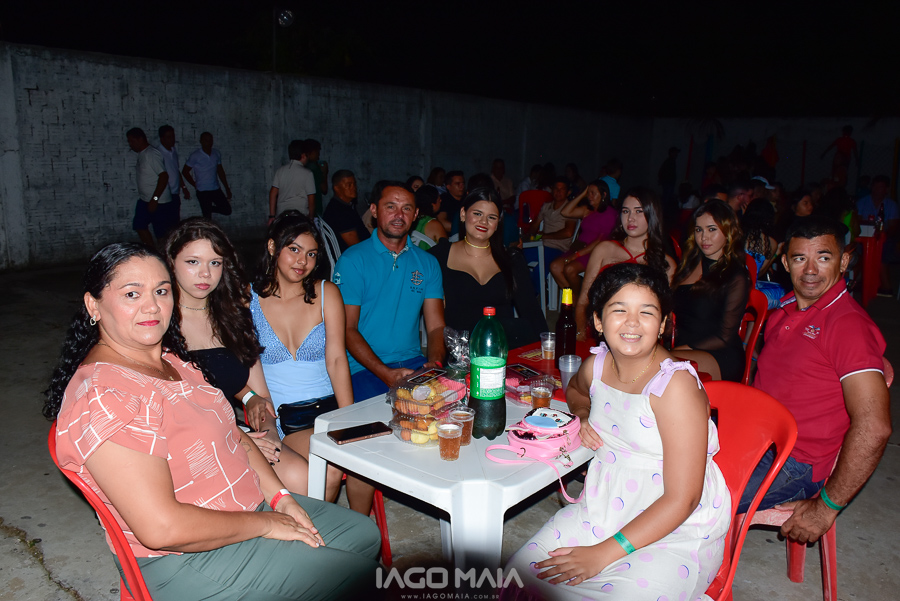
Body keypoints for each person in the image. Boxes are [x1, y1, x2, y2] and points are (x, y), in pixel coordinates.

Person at [46, 243, 381, 600]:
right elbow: (161, 529)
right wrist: (266, 523)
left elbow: (233, 434)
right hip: (186, 557)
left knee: (363, 535)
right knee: (362, 578)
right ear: (93, 305)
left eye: (161, 291)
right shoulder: (106, 395)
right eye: (132, 294)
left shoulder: (173, 361)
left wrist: (281, 498)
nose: (152, 306)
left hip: (243, 508)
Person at [503, 263, 730, 600]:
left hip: (673, 529)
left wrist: (602, 554)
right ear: (598, 320)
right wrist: (582, 416)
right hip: (601, 508)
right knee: (515, 582)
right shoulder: (597, 366)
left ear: (663, 323)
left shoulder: (675, 386)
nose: (632, 322)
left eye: (647, 312)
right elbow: (576, 391)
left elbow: (683, 499)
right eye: (619, 310)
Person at [737, 216, 891, 550]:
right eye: (799, 258)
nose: (810, 270)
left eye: (823, 257)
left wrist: (826, 507)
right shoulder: (785, 309)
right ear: (785, 263)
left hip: (793, 462)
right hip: (753, 438)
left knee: (689, 496)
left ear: (844, 261)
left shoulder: (847, 326)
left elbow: (874, 427)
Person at [165, 217, 310, 494]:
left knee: (299, 474)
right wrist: (240, 438)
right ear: (171, 262)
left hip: (233, 431)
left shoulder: (233, 316)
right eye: (193, 262)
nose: (205, 273)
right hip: (184, 443)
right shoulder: (158, 321)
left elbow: (261, 396)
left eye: (215, 263)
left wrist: (269, 434)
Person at [249, 211, 375, 513]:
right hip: (287, 417)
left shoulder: (326, 292)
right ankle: (326, 530)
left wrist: (347, 415)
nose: (302, 261)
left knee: (365, 457)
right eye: (294, 249)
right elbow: (248, 367)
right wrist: (264, 416)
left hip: (328, 408)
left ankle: (359, 525)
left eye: (311, 254)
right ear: (272, 247)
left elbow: (337, 359)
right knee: (329, 468)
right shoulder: (248, 299)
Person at [334, 180, 446, 400]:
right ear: (374, 210)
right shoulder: (353, 261)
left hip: (414, 362)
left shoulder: (428, 263)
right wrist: (385, 373)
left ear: (415, 215)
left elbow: (436, 327)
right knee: (389, 415)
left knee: (451, 404)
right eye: (390, 206)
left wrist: (434, 364)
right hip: (364, 367)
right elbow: (347, 328)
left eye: (406, 208)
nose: (399, 215)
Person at [428, 187, 546, 347]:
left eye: (491, 217)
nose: (484, 222)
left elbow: (531, 311)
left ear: (497, 224)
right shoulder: (440, 255)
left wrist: (547, 347)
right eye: (477, 214)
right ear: (463, 214)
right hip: (458, 352)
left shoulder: (512, 259)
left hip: (502, 349)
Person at [575, 187, 676, 339]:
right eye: (625, 211)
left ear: (652, 215)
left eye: (639, 211)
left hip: (641, 336)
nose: (630, 218)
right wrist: (581, 336)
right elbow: (583, 301)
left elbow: (668, 317)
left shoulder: (666, 263)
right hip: (601, 331)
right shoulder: (604, 249)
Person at [670, 201, 751, 381]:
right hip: (683, 350)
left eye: (712, 229)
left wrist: (680, 350)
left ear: (728, 232)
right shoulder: (688, 265)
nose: (704, 237)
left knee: (660, 363)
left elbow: (724, 337)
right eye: (699, 230)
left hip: (720, 355)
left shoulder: (735, 275)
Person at [549, 179, 617, 300]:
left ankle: (578, 300)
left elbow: (599, 241)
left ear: (604, 195)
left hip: (594, 252)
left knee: (570, 269)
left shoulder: (609, 213)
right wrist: (582, 194)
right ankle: (572, 299)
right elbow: (565, 212)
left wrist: (576, 255)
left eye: (593, 193)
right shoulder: (587, 210)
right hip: (579, 247)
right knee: (555, 266)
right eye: (588, 193)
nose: (589, 196)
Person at [126, 127, 176, 246]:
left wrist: (155, 199)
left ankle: (163, 254)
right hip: (145, 200)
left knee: (161, 234)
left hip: (159, 202)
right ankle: (152, 251)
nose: (130, 144)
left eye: (132, 141)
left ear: (140, 139)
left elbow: (163, 176)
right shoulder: (142, 154)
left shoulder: (151, 154)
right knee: (139, 225)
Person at [855, 174, 900, 294]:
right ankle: (860, 281)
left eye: (881, 187)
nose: (878, 190)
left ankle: (886, 286)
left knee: (882, 252)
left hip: (885, 238)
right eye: (876, 187)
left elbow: (893, 227)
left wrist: (883, 235)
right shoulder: (862, 202)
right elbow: (857, 222)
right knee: (858, 252)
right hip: (864, 237)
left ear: (886, 189)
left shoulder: (891, 205)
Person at [742, 198, 787, 309]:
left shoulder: (737, 234)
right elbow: (760, 272)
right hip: (749, 292)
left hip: (730, 287)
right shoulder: (770, 242)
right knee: (783, 292)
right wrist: (776, 253)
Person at [182, 132, 233, 219]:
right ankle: (207, 211)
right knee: (207, 218)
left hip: (215, 188)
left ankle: (209, 208)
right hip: (203, 191)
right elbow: (185, 171)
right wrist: (194, 184)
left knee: (227, 210)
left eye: (210, 140)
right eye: (206, 140)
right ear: (201, 141)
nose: (208, 143)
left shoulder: (216, 153)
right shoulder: (195, 155)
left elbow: (220, 171)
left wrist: (227, 188)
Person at [322, 169, 370, 252]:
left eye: (354, 184)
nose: (354, 188)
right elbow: (355, 246)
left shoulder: (345, 206)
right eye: (349, 185)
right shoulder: (339, 211)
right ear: (337, 188)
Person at [268, 139, 317, 220]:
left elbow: (273, 193)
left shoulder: (280, 171)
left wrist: (272, 216)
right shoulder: (308, 173)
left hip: (282, 216)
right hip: (300, 216)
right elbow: (311, 198)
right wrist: (311, 217)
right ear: (303, 156)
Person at [156, 124, 188, 222]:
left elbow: (176, 170)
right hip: (164, 195)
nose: (172, 139)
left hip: (175, 194)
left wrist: (183, 187)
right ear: (162, 139)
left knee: (175, 222)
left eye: (173, 136)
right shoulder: (158, 154)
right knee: (164, 223)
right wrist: (156, 198)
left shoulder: (173, 151)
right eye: (169, 137)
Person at [411, 184, 448, 249]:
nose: (440, 201)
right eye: (439, 199)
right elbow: (446, 250)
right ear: (432, 204)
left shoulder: (410, 219)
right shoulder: (434, 225)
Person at [304, 139, 328, 217]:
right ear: (311, 152)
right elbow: (324, 189)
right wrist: (324, 172)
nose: (318, 155)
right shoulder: (314, 168)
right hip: (314, 210)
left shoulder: (300, 167)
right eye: (317, 152)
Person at [437, 170, 466, 235]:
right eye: (457, 184)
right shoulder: (444, 199)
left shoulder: (467, 199)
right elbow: (442, 222)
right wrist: (462, 228)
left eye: (463, 183)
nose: (461, 186)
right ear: (448, 186)